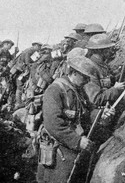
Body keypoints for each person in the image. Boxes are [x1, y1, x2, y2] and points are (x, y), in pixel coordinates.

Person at [37, 55, 99, 183]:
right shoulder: (55, 90)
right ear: (74, 73)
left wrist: (100, 114)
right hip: (60, 147)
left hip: (75, 144)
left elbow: (87, 111)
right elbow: (53, 124)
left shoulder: (78, 90)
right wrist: (77, 141)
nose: (87, 81)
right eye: (85, 77)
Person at [84, 33, 125, 107]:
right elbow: (95, 100)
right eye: (108, 49)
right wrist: (114, 89)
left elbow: (112, 79)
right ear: (101, 51)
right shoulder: (91, 69)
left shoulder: (102, 65)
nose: (111, 51)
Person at [14, 42, 42, 109]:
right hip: (22, 70)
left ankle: (20, 102)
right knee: (20, 87)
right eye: (39, 46)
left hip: (23, 69)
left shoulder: (32, 51)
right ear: (35, 46)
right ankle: (18, 103)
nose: (39, 48)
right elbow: (27, 63)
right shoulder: (29, 51)